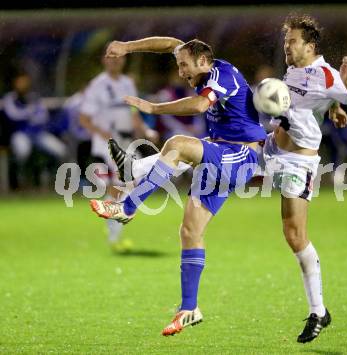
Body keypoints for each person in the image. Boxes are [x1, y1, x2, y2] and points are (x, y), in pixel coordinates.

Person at [89, 36, 267, 335]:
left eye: (184, 65)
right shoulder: (197, 62)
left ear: (202, 60)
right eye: (179, 64)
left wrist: (153, 108)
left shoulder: (221, 74)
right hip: (221, 154)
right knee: (189, 231)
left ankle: (127, 207)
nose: (181, 71)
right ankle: (190, 308)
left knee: (178, 145)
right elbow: (170, 43)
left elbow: (199, 105)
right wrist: (127, 47)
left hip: (242, 155)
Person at [263, 13, 347, 343]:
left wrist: (346, 85)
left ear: (309, 47)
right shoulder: (293, 70)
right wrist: (330, 109)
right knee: (222, 162)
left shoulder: (326, 74)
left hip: (298, 164)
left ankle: (319, 311)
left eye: (292, 41)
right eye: (285, 41)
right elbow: (307, 103)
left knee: (296, 236)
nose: (287, 46)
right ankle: (141, 173)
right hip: (272, 150)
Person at [79, 54, 156, 253]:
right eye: (111, 58)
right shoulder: (97, 86)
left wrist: (146, 132)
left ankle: (113, 228)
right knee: (122, 184)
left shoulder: (127, 83)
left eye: (118, 58)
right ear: (104, 61)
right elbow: (84, 118)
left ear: (123, 61)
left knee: (130, 185)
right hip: (107, 144)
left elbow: (133, 113)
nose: (115, 61)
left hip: (124, 141)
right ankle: (114, 235)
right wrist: (103, 133)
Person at [2, 71, 67, 188]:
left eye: (25, 81)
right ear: (15, 83)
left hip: (38, 133)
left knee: (60, 150)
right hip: (20, 133)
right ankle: (19, 181)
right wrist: (30, 113)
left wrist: (31, 116)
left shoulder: (34, 97)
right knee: (23, 151)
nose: (22, 84)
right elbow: (13, 115)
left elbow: (43, 116)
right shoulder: (10, 98)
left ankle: (53, 178)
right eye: (20, 82)